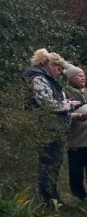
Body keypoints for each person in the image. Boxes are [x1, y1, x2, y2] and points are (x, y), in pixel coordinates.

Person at [23, 49, 82, 204]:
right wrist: (70, 105)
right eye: (58, 68)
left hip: (53, 127)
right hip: (48, 129)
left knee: (53, 165)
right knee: (49, 164)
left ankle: (53, 199)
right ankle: (49, 201)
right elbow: (47, 104)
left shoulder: (46, 79)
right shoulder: (39, 79)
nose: (60, 72)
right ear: (48, 64)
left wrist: (75, 116)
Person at [64, 64, 87, 202]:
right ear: (71, 78)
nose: (83, 78)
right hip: (75, 139)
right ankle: (79, 196)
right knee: (76, 169)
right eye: (79, 76)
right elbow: (64, 111)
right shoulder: (65, 92)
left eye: (84, 75)